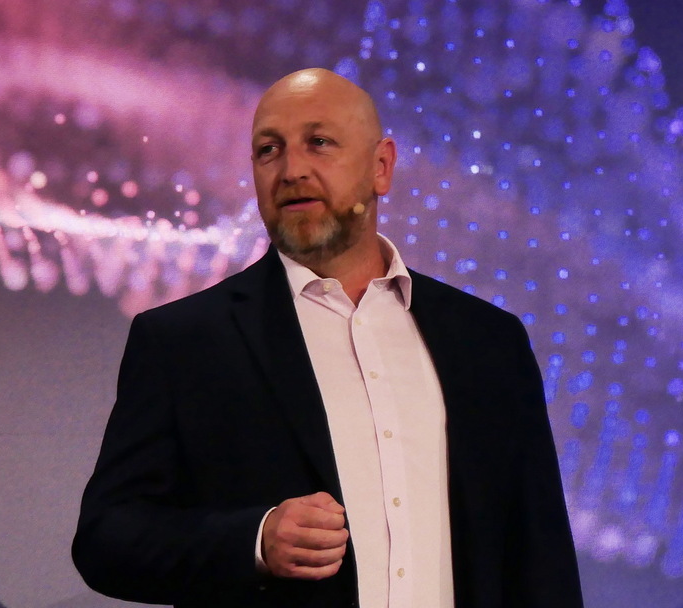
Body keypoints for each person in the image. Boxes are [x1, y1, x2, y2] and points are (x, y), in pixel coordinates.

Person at [72, 68, 584, 608]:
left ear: (381, 167)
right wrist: (254, 542)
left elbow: (541, 559)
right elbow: (108, 538)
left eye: (319, 142)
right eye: (269, 150)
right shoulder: (185, 342)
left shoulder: (489, 342)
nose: (292, 170)